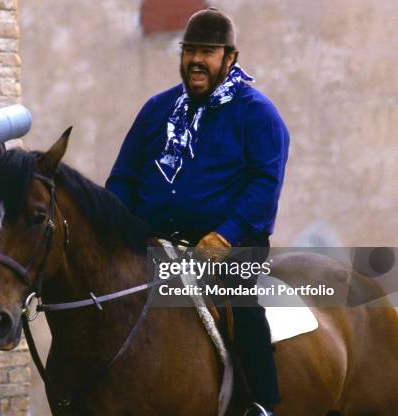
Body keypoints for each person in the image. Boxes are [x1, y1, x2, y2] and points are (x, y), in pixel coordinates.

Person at [106, 7, 289, 416]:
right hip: (152, 244)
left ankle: (260, 402)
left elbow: (264, 184)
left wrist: (225, 234)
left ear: (230, 57)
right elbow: (122, 178)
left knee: (241, 304)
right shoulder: (156, 110)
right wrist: (114, 227)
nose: (196, 61)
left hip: (230, 242)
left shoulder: (257, 114)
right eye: (190, 50)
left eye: (208, 51)